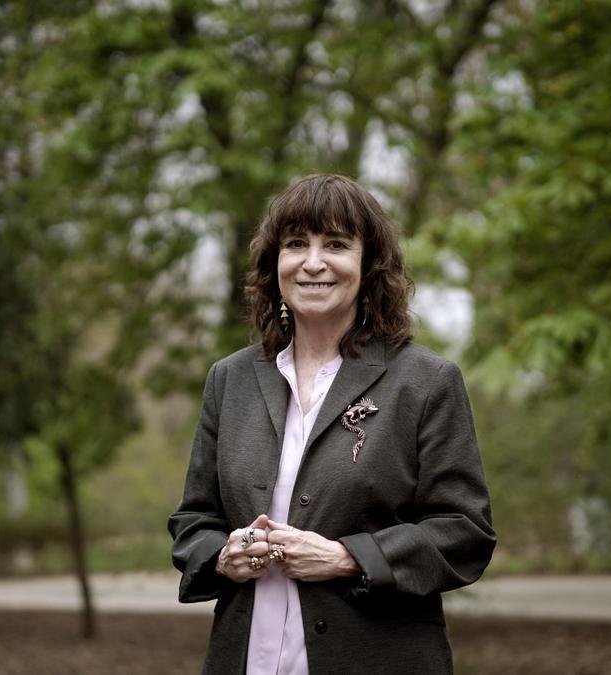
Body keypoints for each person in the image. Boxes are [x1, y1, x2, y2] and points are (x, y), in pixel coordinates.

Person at [169, 174, 495, 674]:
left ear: (368, 266)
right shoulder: (229, 380)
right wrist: (221, 556)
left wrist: (350, 557)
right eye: (296, 244)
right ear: (274, 263)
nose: (313, 262)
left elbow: (464, 532)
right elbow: (193, 522)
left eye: (336, 244)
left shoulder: (425, 382)